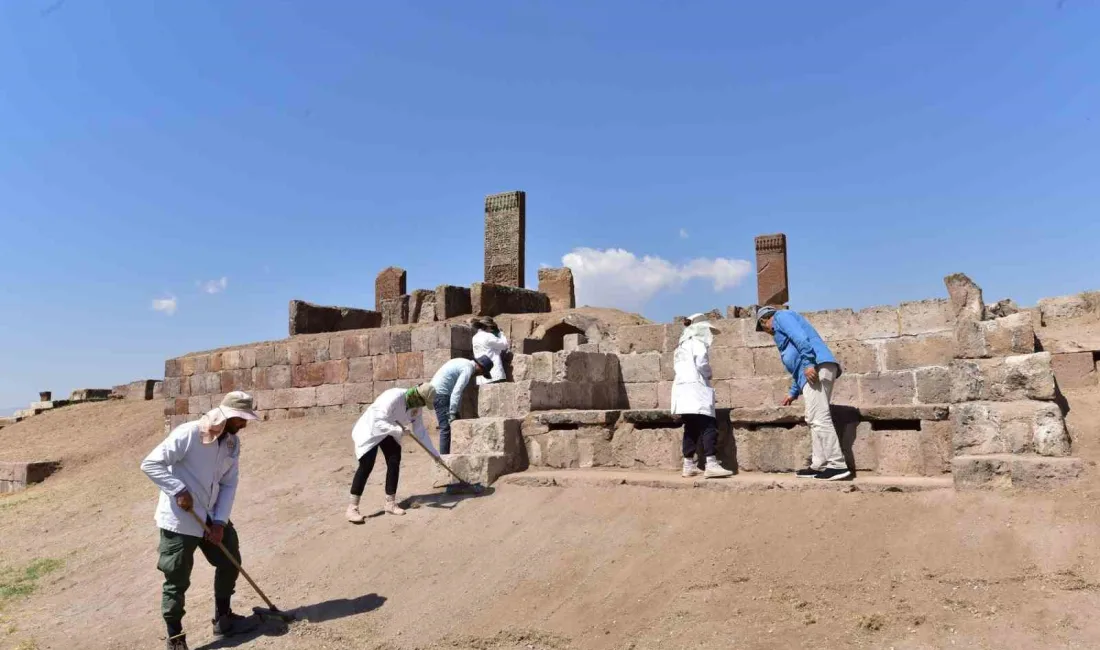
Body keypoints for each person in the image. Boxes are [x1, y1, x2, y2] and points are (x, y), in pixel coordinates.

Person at [140, 391, 260, 650]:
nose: (244, 424)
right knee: (177, 578)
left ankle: (223, 619)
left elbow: (229, 484)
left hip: (210, 516)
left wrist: (219, 522)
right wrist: (177, 489)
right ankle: (175, 637)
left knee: (230, 560)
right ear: (228, 415)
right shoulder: (189, 433)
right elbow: (151, 464)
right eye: (241, 419)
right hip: (179, 520)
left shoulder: (231, 443)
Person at [756, 306, 851, 481]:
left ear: (764, 321)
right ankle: (819, 465)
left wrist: (808, 363)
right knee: (813, 417)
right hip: (815, 368)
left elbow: (801, 339)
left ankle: (837, 465)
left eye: (763, 329)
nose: (767, 333)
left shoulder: (781, 317)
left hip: (816, 367)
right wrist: (793, 392)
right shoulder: (781, 325)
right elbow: (797, 365)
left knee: (819, 417)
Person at [347, 383, 440, 523]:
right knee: (367, 465)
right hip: (370, 430)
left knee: (394, 459)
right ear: (418, 395)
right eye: (423, 402)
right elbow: (377, 421)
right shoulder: (394, 396)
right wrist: (398, 430)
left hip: (389, 432)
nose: (422, 406)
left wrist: (434, 453)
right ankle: (352, 508)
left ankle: (390, 503)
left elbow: (420, 431)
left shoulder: (416, 407)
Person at [671, 314, 734, 479]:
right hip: (696, 387)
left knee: (690, 427)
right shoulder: (697, 343)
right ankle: (711, 463)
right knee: (708, 425)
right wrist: (709, 374)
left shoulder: (681, 347)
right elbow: (701, 364)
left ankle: (688, 464)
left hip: (682, 390)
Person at [430, 355, 493, 455]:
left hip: (438, 392)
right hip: (441, 394)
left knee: (454, 425)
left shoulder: (464, 363)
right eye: (481, 373)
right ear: (480, 368)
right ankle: (444, 461)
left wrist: (455, 412)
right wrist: (452, 412)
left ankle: (452, 456)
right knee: (445, 428)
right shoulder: (468, 368)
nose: (478, 375)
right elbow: (457, 390)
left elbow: (457, 392)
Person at [472, 317, 510, 385]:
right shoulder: (488, 336)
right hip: (494, 374)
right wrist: (501, 333)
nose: (491, 330)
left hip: (481, 377)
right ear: (487, 327)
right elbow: (504, 345)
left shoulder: (474, 338)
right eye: (491, 327)